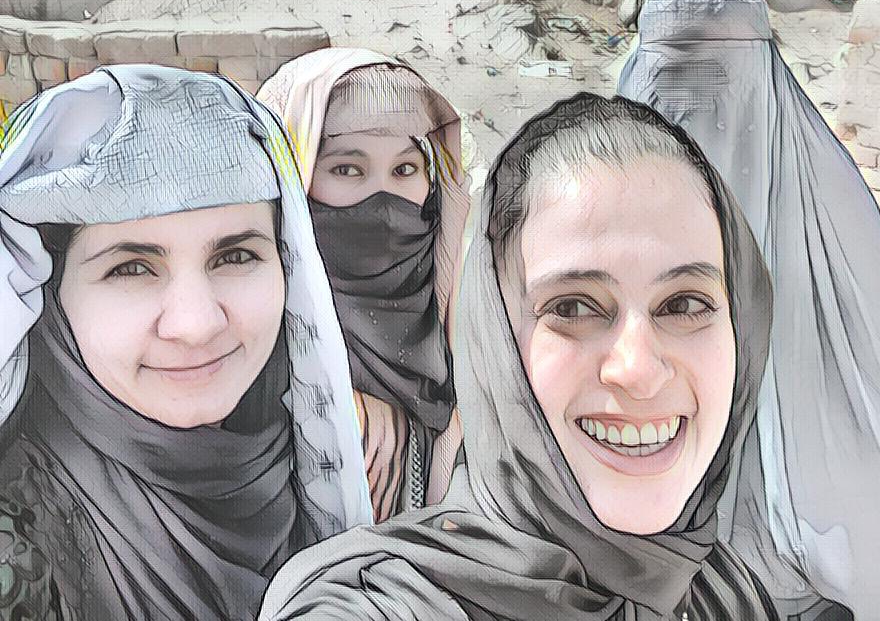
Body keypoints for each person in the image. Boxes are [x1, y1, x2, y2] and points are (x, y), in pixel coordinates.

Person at [259, 93, 778, 621]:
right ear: (496, 343)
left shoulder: (721, 592)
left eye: (684, 304)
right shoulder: (387, 603)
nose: (639, 371)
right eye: (572, 307)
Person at [618, 0, 880, 620]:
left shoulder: (823, 218)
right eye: (671, 90)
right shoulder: (600, 223)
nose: (691, 123)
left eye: (715, 89)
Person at [0, 65, 371, 620]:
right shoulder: (18, 546)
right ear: (51, 294)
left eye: (236, 256)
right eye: (131, 268)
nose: (197, 324)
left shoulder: (308, 459)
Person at [258, 49, 469, 520]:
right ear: (291, 178)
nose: (384, 198)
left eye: (405, 169)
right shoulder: (251, 359)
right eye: (347, 169)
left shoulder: (472, 322)